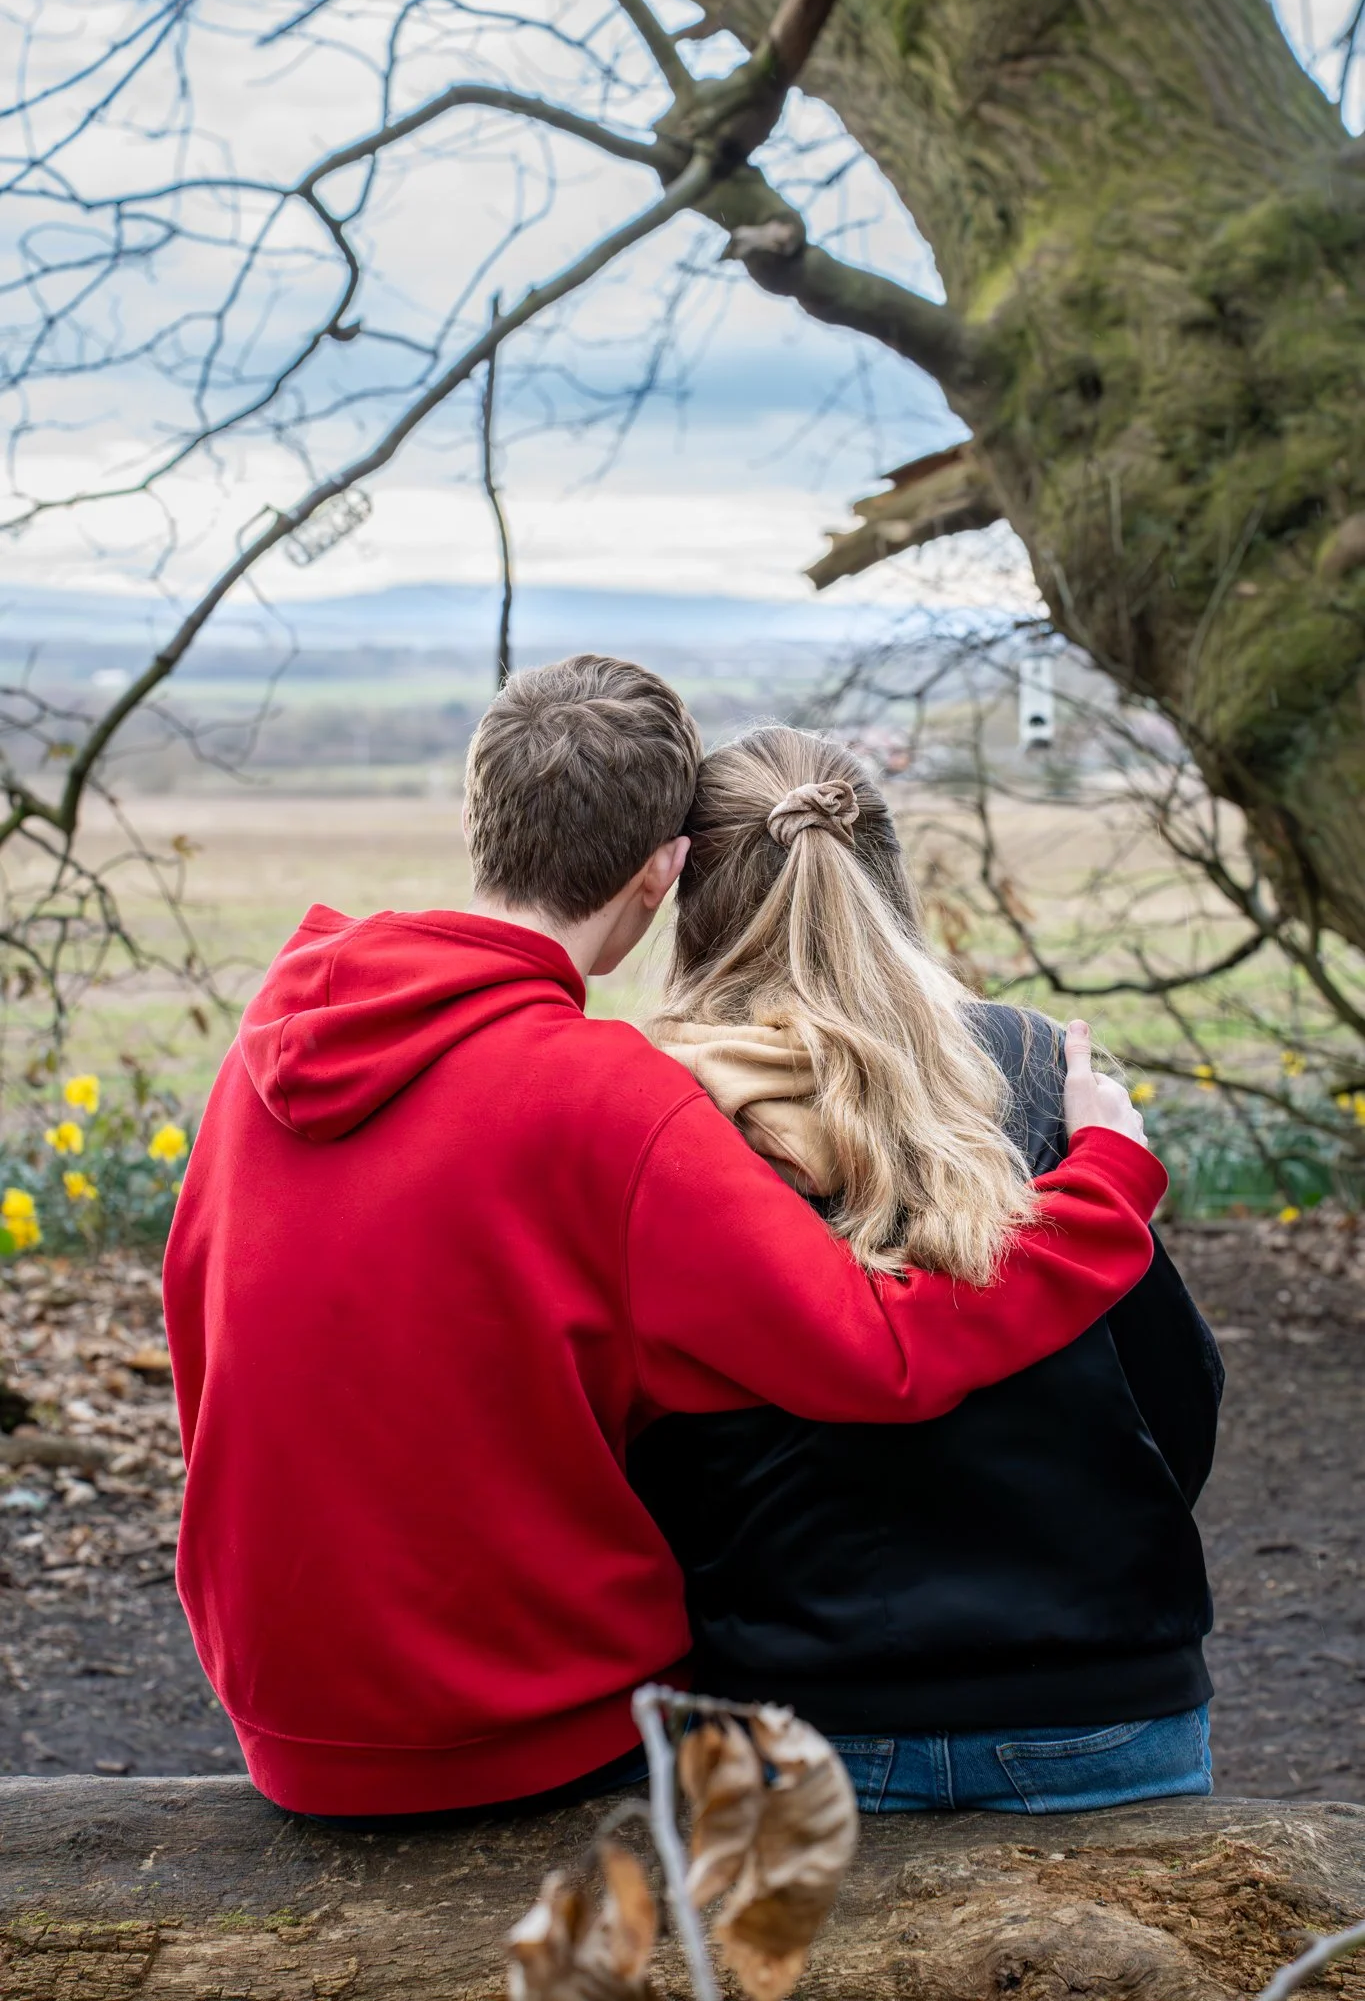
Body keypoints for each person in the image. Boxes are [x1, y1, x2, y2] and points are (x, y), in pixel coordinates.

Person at [163, 656, 1164, 1822]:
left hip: (290, 1729)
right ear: (662, 870)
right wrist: (1104, 1181)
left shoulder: (267, 1049)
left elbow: (201, 1328)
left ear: (484, 815)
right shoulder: (607, 1097)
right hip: (534, 1731)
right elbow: (879, 1356)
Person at [631, 724, 1222, 1815]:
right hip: (1101, 1699)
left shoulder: (655, 1112)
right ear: (888, 868)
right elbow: (1178, 1392)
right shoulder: (1042, 1068)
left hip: (784, 1710)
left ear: (690, 894)